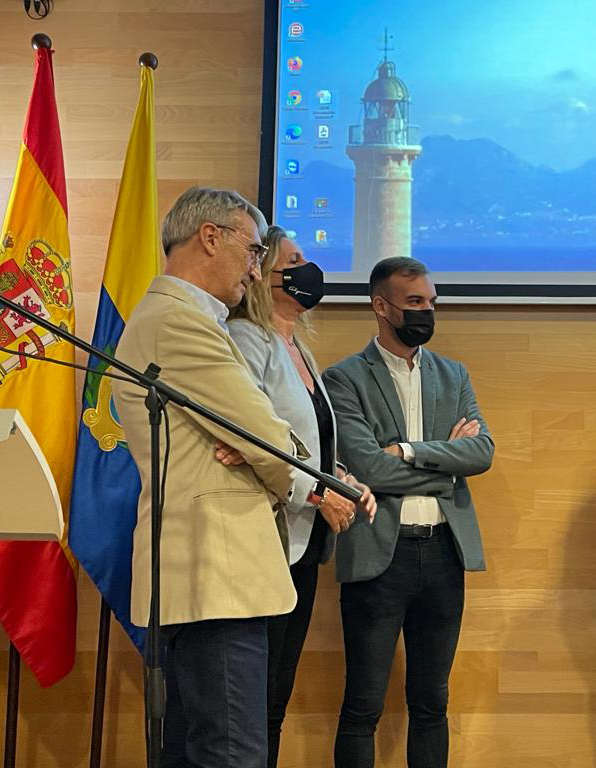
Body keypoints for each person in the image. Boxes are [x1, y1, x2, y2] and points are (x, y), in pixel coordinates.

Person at [112, 187, 305, 767]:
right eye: (253, 252)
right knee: (231, 756)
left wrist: (261, 445)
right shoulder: (179, 320)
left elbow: (256, 437)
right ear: (210, 236)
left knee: (201, 753)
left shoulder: (184, 318)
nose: (257, 269)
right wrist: (289, 465)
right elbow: (266, 435)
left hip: (206, 577)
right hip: (214, 576)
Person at [322, 256, 494, 768]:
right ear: (381, 306)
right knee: (363, 704)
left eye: (431, 302)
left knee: (431, 702)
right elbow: (368, 468)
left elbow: (482, 452)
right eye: (414, 302)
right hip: (380, 553)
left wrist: (410, 451)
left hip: (445, 552)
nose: (426, 312)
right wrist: (446, 463)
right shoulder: (344, 378)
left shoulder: (452, 374)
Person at [227, 225, 377, 768]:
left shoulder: (298, 345)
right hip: (266, 537)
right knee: (254, 698)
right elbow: (255, 440)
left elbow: (307, 437)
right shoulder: (247, 339)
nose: (307, 268)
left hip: (304, 544)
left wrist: (340, 476)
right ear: (264, 275)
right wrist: (318, 494)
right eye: (293, 260)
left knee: (276, 695)